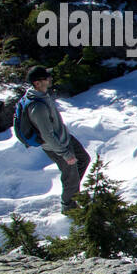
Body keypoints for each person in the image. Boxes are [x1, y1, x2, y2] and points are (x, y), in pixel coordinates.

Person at [22, 65, 92, 212]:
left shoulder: (42, 95)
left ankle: (72, 193)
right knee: (70, 175)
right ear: (37, 83)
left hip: (64, 138)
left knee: (84, 159)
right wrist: (65, 154)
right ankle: (69, 208)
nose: (50, 79)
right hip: (56, 146)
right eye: (47, 77)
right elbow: (47, 135)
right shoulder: (37, 107)